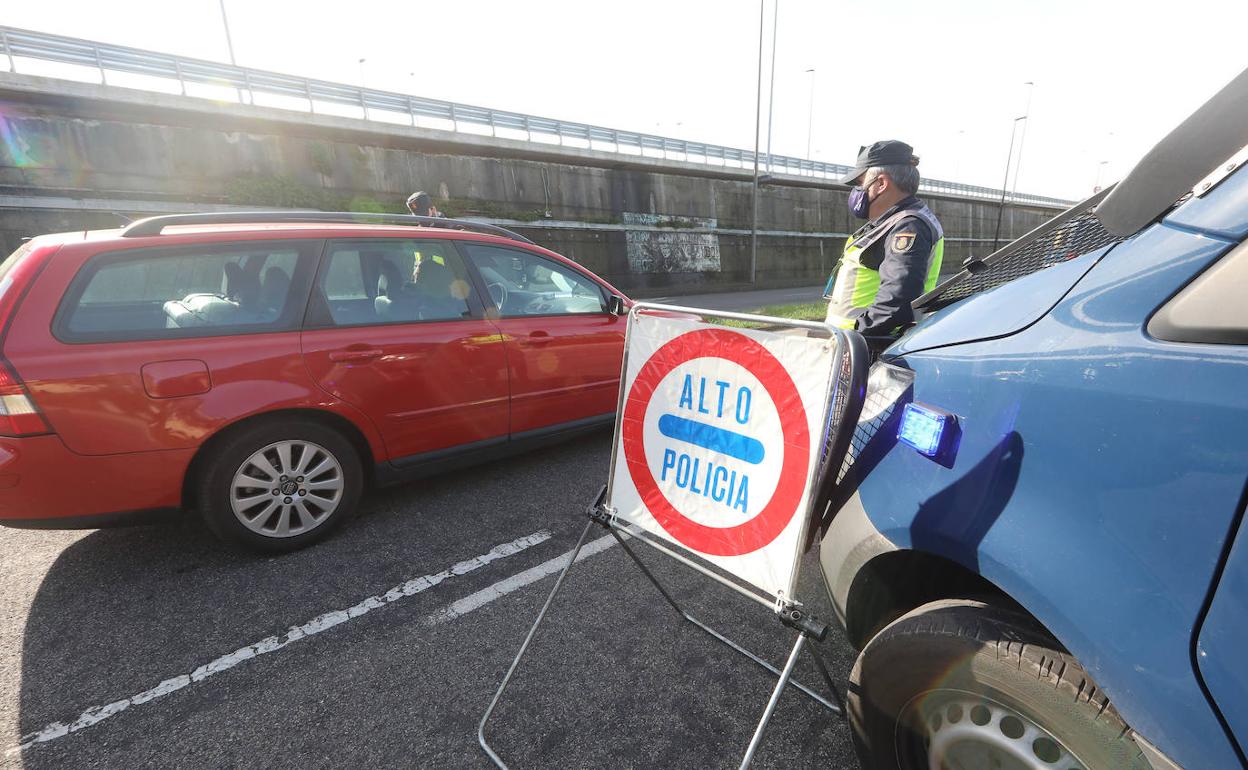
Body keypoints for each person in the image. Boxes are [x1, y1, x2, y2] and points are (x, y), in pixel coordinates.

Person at [824, 140, 944, 336]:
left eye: (860, 183)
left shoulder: (908, 225)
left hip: (867, 349)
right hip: (851, 343)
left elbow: (897, 300)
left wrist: (860, 337)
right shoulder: (892, 221)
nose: (856, 192)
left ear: (881, 183)